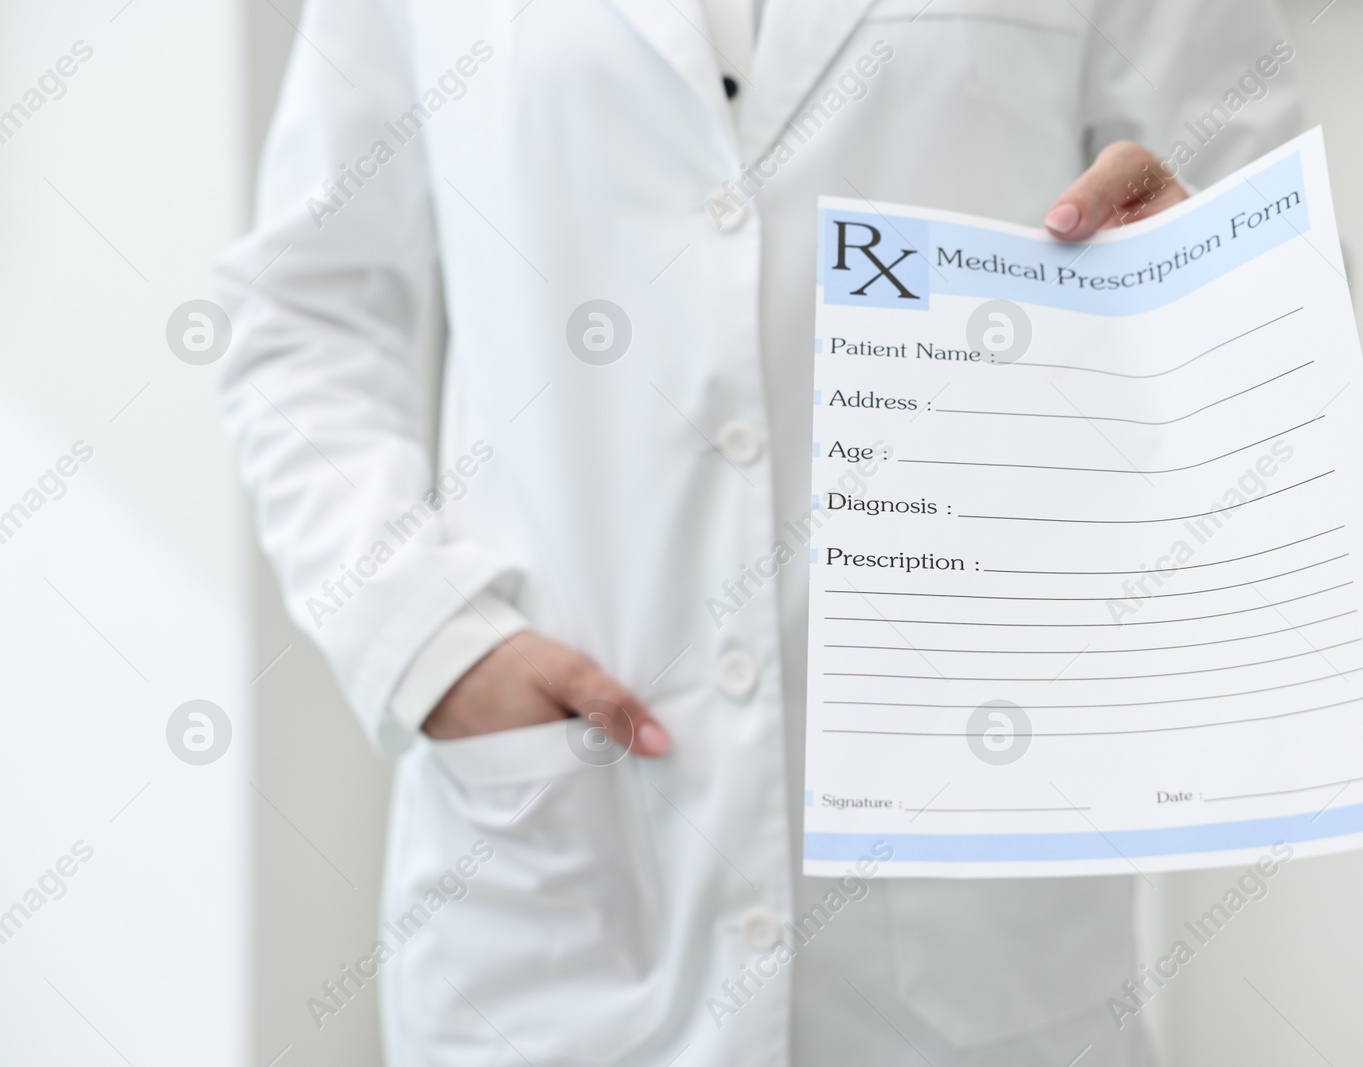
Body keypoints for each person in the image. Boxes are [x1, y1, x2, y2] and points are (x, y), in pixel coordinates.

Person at [216, 2, 1300, 1063]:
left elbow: (1276, 279)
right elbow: (305, 310)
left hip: (962, 856)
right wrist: (426, 637)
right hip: (567, 851)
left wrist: (1201, 280)